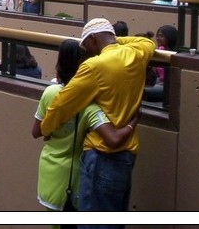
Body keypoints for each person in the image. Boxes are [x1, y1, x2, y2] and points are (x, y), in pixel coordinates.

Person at [39, 18, 155, 216]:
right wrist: (111, 39)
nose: (87, 51)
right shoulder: (138, 53)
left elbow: (62, 105)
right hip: (128, 152)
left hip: (100, 155)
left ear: (93, 39)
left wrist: (45, 128)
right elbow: (148, 42)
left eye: (86, 44)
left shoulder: (94, 66)